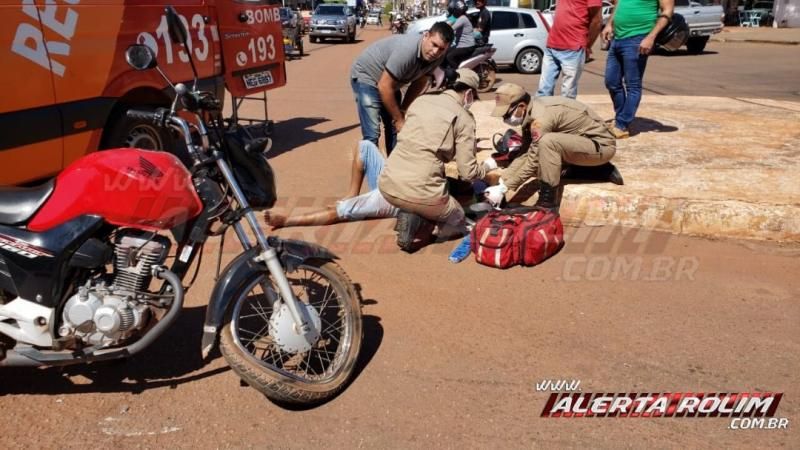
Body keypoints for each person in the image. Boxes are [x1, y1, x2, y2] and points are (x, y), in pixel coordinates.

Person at [378, 68, 490, 251]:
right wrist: (488, 166)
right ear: (469, 94)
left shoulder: (421, 101)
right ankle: (425, 226)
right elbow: (468, 173)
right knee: (458, 219)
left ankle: (413, 212)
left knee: (444, 183)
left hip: (388, 184)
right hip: (421, 190)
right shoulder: (464, 118)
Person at [485, 83, 623, 211]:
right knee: (545, 159)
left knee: (548, 143)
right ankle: (600, 170)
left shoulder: (541, 119)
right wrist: (503, 180)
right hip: (581, 145)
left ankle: (547, 202)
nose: (505, 119)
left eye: (507, 114)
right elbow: (525, 152)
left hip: (602, 147)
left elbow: (533, 160)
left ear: (521, 106)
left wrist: (505, 188)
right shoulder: (530, 112)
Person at [350, 22, 454, 154]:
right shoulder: (407, 50)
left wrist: (403, 111)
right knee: (372, 135)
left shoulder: (438, 57)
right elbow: (384, 86)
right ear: (426, 36)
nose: (435, 52)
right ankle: (370, 171)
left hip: (391, 82)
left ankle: (393, 171)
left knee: (395, 127)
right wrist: (399, 119)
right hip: (367, 76)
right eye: (434, 44)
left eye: (442, 49)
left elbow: (420, 82)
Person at [264, 141, 398, 230]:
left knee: (342, 209)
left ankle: (287, 220)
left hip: (398, 195)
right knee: (365, 146)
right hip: (395, 178)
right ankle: (352, 194)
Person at [602, 0, 674, 139]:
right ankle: (621, 119)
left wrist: (651, 37)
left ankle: (622, 125)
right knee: (611, 81)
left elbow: (668, 11)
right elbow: (618, 3)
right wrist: (609, 24)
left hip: (638, 39)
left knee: (632, 85)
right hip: (617, 38)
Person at [536, 0, 603, 99]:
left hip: (573, 48)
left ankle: (566, 114)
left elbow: (597, 21)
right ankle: (542, 114)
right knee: (543, 91)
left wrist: (587, 46)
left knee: (567, 96)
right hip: (552, 44)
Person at [445, 1, 476, 69]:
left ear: (457, 10)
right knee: (446, 51)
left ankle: (457, 73)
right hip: (462, 45)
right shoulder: (462, 18)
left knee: (449, 56)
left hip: (466, 46)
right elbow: (450, 24)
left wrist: (443, 29)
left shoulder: (462, 19)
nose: (453, 13)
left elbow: (451, 28)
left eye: (454, 11)